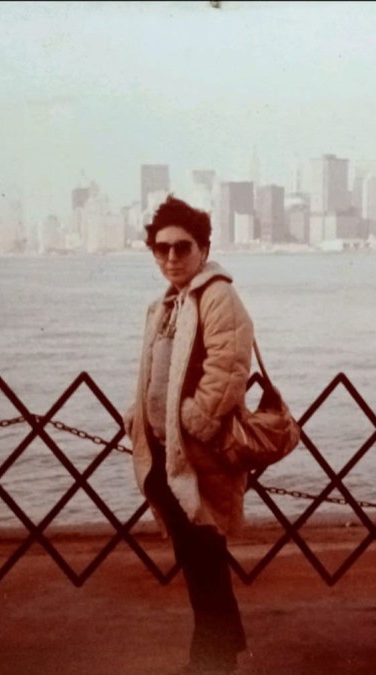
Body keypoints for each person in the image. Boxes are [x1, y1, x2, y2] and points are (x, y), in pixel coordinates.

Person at [124, 195, 253, 674]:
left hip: (198, 457)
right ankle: (220, 654)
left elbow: (229, 367)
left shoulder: (218, 297)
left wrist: (193, 423)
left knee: (203, 562)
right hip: (167, 455)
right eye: (162, 249)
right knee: (201, 562)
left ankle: (211, 664)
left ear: (203, 249)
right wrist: (140, 419)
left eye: (182, 247)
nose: (172, 257)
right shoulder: (166, 303)